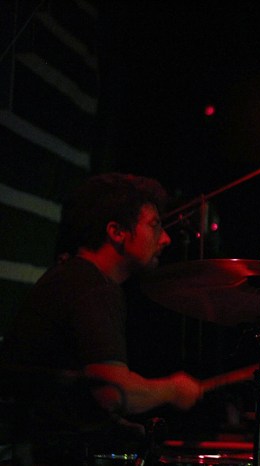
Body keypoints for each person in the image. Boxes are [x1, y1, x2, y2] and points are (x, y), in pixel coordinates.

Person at [0, 173, 203, 464]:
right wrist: (173, 389)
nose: (166, 238)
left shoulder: (72, 276)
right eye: (154, 225)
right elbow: (113, 391)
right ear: (117, 232)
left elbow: (72, 392)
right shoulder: (93, 287)